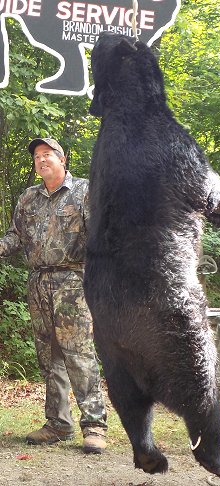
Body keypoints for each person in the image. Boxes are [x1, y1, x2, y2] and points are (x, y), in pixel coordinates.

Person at [0, 137, 107, 453]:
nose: (41, 160)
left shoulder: (84, 191)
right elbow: (14, 237)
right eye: (37, 156)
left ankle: (95, 427)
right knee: (49, 358)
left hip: (73, 282)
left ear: (63, 160)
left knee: (79, 354)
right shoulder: (29, 198)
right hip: (38, 284)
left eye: (48, 154)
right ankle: (58, 424)